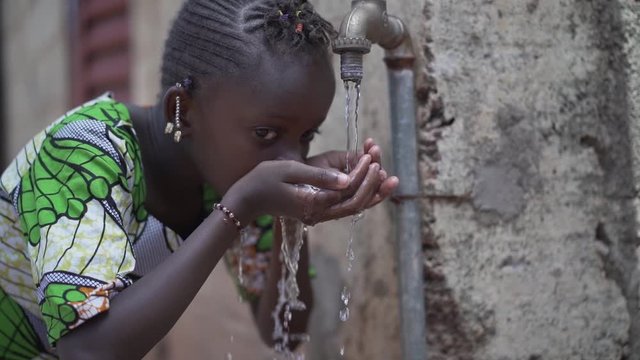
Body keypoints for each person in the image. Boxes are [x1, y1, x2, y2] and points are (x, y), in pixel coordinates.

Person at [0, 0, 399, 358]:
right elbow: (90, 350)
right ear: (183, 110)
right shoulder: (83, 152)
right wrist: (238, 207)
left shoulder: (235, 175)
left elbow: (283, 333)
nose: (292, 158)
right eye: (266, 134)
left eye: (306, 137)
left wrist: (292, 213)